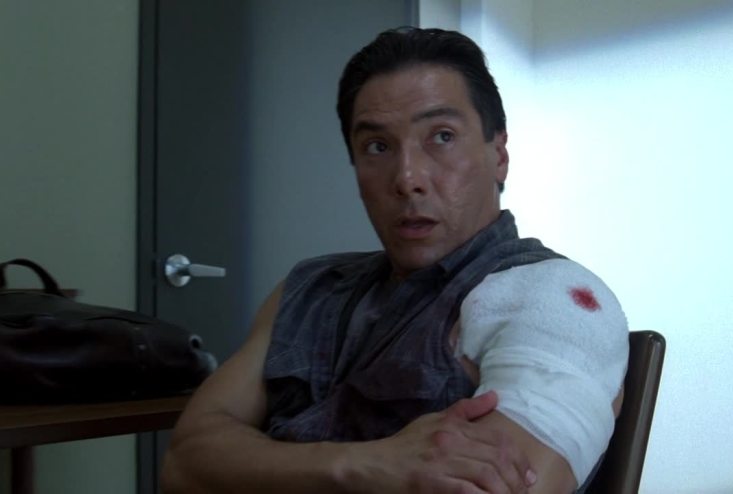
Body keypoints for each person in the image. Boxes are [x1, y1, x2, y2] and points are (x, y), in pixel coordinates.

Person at [160, 27, 628, 494]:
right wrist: (363, 464)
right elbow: (184, 462)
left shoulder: (552, 302)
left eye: (441, 136)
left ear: (499, 154)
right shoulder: (308, 288)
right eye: (378, 147)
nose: (407, 178)